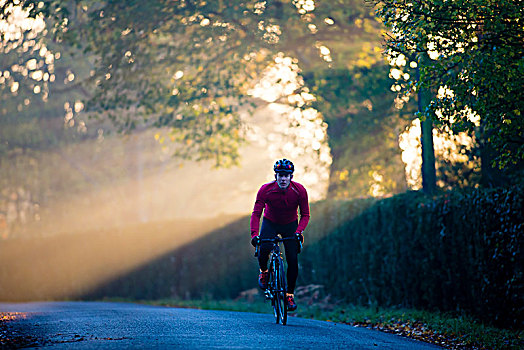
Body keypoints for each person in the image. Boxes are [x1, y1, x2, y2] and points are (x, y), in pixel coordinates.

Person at [250, 158, 310, 311]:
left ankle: (289, 295)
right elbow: (257, 214)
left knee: (293, 260)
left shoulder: (300, 191)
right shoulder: (265, 189)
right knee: (263, 249)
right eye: (280, 175)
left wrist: (298, 232)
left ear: (291, 177)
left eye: (286, 175)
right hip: (270, 222)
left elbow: (305, 215)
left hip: (290, 225)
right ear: (275, 176)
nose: (283, 179)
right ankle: (264, 272)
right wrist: (255, 235)